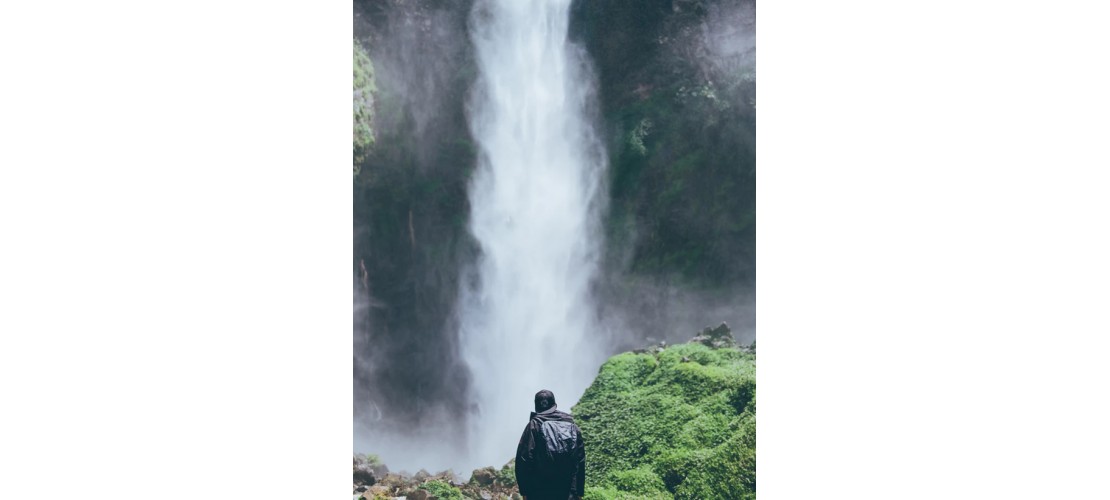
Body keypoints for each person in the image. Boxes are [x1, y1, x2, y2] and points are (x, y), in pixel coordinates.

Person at [515, 389, 586, 500]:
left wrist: (525, 491)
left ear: (536, 406)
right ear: (554, 404)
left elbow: (523, 459)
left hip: (539, 491)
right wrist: (579, 491)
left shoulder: (534, 425)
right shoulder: (571, 424)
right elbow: (580, 460)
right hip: (567, 491)